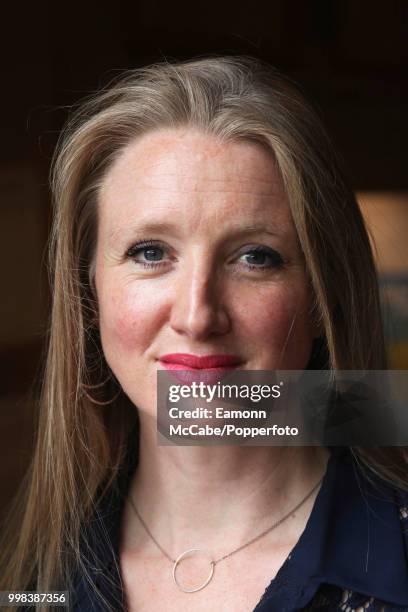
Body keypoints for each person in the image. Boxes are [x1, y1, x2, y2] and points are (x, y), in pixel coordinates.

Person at [0, 55, 407, 612]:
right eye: (150, 252)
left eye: (255, 257)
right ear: (85, 291)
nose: (196, 315)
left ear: (322, 297)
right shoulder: (28, 579)